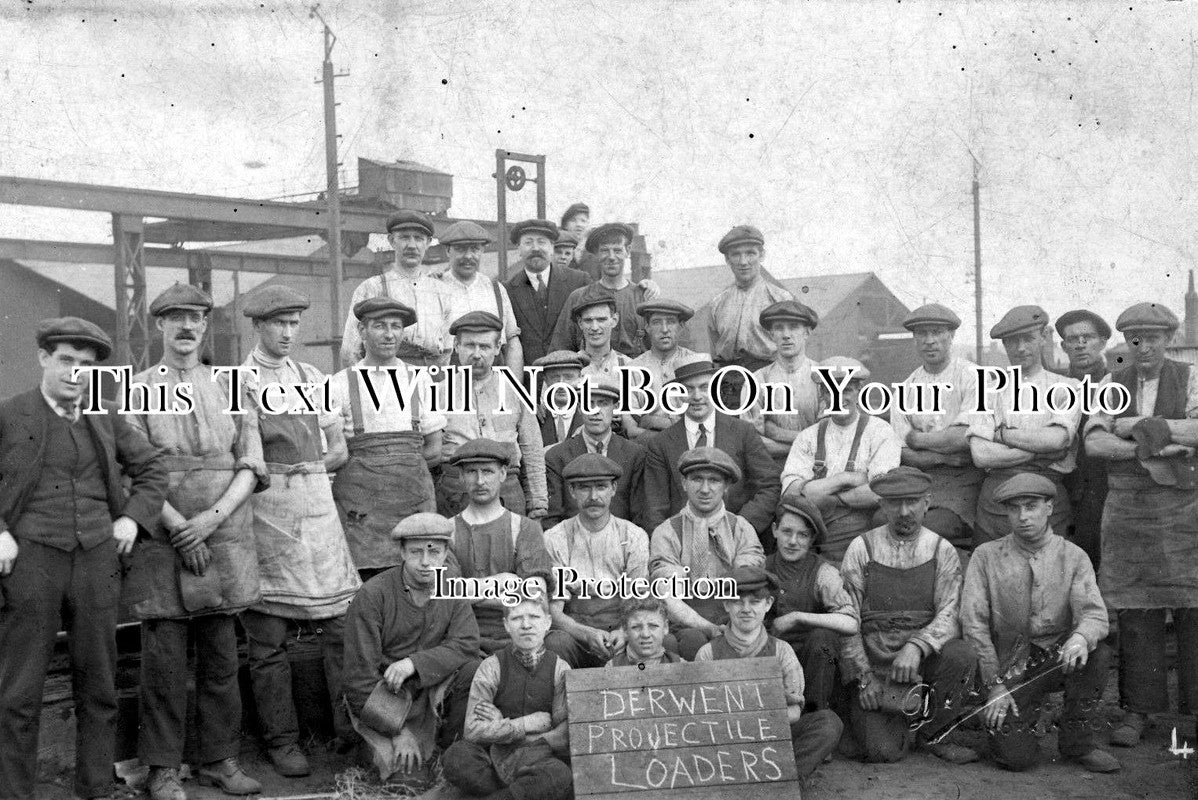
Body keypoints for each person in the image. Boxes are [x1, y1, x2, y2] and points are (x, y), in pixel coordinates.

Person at [0, 317, 167, 800]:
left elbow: (153, 467)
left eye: (87, 366)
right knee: (19, 692)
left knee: (99, 684)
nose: (76, 373)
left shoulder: (105, 415)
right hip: (32, 562)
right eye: (66, 361)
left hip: (97, 561)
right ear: (43, 359)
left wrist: (132, 518)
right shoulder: (12, 415)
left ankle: (95, 789)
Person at [126, 284, 265, 799]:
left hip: (225, 531)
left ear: (206, 326)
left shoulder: (233, 386)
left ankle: (220, 760)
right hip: (163, 537)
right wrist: (179, 527)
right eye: (175, 318)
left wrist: (210, 519)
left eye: (196, 318)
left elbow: (252, 462)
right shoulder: (136, 389)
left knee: (222, 658)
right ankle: (162, 768)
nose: (187, 327)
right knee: (163, 663)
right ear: (159, 325)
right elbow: (133, 471)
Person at [239, 285, 362, 778]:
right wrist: (282, 475)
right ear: (258, 327)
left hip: (317, 513)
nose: (288, 333)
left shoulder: (312, 377)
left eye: (293, 323)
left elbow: (339, 449)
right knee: (268, 638)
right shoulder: (240, 380)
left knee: (338, 628)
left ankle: (349, 732)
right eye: (277, 324)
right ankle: (282, 741)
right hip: (266, 515)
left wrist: (310, 470)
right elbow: (243, 454)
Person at [1084, 302, 1198, 748]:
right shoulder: (1111, 383)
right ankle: (1139, 711)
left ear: (1169, 338)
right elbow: (1094, 442)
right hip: (1128, 507)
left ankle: (1194, 713)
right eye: (1135, 338)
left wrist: (1134, 426)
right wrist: (1147, 449)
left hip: (1185, 506)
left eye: (1153, 337)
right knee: (1135, 610)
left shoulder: (1190, 376)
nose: (1144, 346)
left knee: (1193, 608)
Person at [960, 473, 1119, 774]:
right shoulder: (986, 557)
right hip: (1008, 667)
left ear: (1049, 507)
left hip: (1057, 657)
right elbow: (974, 625)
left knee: (1098, 654)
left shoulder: (1073, 556)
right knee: (1016, 759)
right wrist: (995, 686)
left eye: (1031, 506)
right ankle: (1001, 714)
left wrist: (1080, 638)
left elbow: (1095, 614)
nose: (1022, 517)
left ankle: (1077, 742)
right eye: (1014, 508)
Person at [839, 467, 979, 765]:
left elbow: (950, 613)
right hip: (875, 663)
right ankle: (881, 722)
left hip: (921, 661)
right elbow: (846, 619)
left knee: (962, 654)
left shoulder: (942, 550)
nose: (904, 511)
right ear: (882, 505)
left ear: (927, 502)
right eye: (894, 502)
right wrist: (864, 677)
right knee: (883, 753)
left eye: (912, 501)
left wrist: (917, 646)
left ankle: (936, 733)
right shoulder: (861, 548)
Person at [342, 513, 482, 780]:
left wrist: (414, 663)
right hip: (384, 699)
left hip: (435, 694)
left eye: (434, 552)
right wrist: (398, 732)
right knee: (408, 780)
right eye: (416, 552)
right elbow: (358, 679)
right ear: (402, 552)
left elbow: (467, 644)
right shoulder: (373, 595)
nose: (426, 562)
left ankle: (451, 747)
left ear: (445, 554)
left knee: (475, 670)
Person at [328, 297, 443, 581]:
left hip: (413, 502)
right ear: (362, 330)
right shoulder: (339, 383)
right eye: (379, 326)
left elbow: (435, 449)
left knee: (419, 582)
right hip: (361, 510)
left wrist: (400, 474)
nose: (389, 334)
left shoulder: (420, 379)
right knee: (366, 587)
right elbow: (333, 450)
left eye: (396, 326)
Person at [694, 565, 844, 782]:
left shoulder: (782, 651)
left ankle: (782, 782)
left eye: (755, 602)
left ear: (768, 604)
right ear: (726, 604)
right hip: (725, 741)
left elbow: (794, 711)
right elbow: (699, 715)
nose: (746, 609)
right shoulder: (708, 653)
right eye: (737, 601)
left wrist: (754, 718)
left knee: (828, 723)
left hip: (774, 737)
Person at [441, 589, 573, 800]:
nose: (526, 625)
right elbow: (473, 731)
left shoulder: (560, 669)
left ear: (548, 622)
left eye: (534, 617)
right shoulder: (491, 667)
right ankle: (515, 795)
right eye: (517, 618)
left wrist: (500, 726)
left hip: (538, 761)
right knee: (457, 758)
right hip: (493, 760)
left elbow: (563, 736)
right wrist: (524, 724)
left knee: (560, 775)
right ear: (506, 625)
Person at [967, 305, 1081, 547]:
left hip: (1047, 497)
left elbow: (1057, 440)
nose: (1020, 348)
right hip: (997, 501)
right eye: (1012, 342)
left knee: (1050, 576)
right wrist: (1037, 450)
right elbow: (981, 455)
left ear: (1043, 337)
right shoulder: (988, 389)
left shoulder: (1067, 387)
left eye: (1028, 339)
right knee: (993, 574)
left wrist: (1002, 435)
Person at [643, 357, 781, 540]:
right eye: (688, 389)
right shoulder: (661, 444)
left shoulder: (743, 432)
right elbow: (655, 507)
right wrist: (670, 544)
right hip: (683, 544)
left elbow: (769, 486)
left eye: (704, 387)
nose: (697, 396)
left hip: (737, 540)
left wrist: (738, 528)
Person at [781, 357, 902, 564]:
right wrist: (846, 479)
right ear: (822, 395)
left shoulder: (880, 431)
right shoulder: (808, 437)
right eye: (830, 391)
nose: (839, 397)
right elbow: (791, 493)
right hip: (811, 533)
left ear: (859, 391)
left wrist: (827, 497)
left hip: (860, 535)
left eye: (847, 390)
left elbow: (880, 492)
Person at [650, 447, 765, 660]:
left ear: (726, 487)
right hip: (685, 622)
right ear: (684, 483)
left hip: (733, 615)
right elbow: (668, 597)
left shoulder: (740, 528)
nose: (705, 489)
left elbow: (748, 586)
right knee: (691, 641)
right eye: (696, 479)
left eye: (714, 480)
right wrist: (708, 627)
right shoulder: (667, 532)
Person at [890, 304, 982, 557]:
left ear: (951, 336)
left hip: (963, 483)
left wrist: (917, 438)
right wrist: (944, 455)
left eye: (937, 332)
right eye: (922, 334)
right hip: (919, 483)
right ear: (914, 340)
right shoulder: (907, 387)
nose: (929, 341)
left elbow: (963, 437)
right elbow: (901, 452)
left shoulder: (972, 376)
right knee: (883, 520)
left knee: (929, 528)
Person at [543, 453, 651, 668]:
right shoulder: (555, 538)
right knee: (555, 642)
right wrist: (586, 633)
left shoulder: (633, 535)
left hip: (622, 631)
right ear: (572, 491)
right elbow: (554, 610)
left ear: (613, 489)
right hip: (576, 633)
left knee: (653, 642)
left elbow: (639, 600)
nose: (593, 496)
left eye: (601, 487)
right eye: (584, 488)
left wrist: (624, 632)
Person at [437, 311, 547, 519]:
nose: (477, 354)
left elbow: (532, 450)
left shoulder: (515, 393)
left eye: (485, 346)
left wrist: (538, 503)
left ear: (497, 348)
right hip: (456, 494)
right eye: (469, 345)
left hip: (507, 492)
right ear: (457, 346)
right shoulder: (439, 393)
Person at [446, 438, 552, 654]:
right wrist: (505, 580)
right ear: (460, 477)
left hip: (518, 636)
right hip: (465, 638)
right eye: (471, 472)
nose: (480, 481)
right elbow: (446, 596)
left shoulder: (525, 528)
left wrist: (472, 593)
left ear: (503, 473)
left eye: (488, 471)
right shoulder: (447, 531)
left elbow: (536, 594)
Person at [766, 497, 859, 711]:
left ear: (811, 539)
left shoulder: (822, 572)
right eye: (787, 532)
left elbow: (851, 622)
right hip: (771, 660)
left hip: (811, 665)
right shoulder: (761, 566)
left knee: (824, 639)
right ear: (774, 530)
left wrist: (798, 617)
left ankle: (815, 713)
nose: (793, 541)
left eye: (803, 535)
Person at [341, 210, 453, 368]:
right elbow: (349, 351)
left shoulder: (442, 292)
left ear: (428, 243)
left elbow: (447, 351)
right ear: (392, 240)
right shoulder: (372, 288)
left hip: (431, 377)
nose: (412, 245)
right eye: (404, 237)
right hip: (387, 375)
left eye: (419, 239)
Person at [706, 225, 795, 408]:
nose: (743, 261)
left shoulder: (780, 299)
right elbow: (715, 352)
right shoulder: (717, 304)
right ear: (727, 259)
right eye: (736, 254)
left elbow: (792, 352)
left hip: (768, 381)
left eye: (750, 253)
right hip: (727, 384)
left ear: (761, 255)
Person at [544, 379, 648, 529]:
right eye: (589, 403)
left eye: (603, 403)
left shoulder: (634, 454)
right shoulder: (557, 456)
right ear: (579, 408)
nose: (595, 411)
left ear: (616, 407)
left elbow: (640, 515)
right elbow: (551, 518)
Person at [1054, 309, 1112, 569]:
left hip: (1107, 487)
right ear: (1064, 346)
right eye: (1072, 339)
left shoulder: (1118, 384)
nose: (1079, 344)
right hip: (1064, 489)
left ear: (1102, 342)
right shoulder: (1053, 386)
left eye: (1087, 337)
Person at [551, 222, 657, 357]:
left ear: (628, 251)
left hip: (634, 374)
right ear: (597, 254)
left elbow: (657, 350)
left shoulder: (643, 297)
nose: (611, 257)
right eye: (605, 250)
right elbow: (560, 349)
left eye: (617, 250)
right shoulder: (578, 297)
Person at [438, 220, 525, 373]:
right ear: (447, 251)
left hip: (491, 376)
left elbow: (512, 341)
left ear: (482, 250)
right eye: (460, 249)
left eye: (475, 249)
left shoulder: (496, 289)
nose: (468, 256)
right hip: (447, 377)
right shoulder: (434, 287)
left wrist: (513, 388)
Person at [743, 300, 821, 463]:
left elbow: (827, 439)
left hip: (817, 468)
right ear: (771, 334)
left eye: (793, 326)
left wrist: (775, 432)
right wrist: (806, 443)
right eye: (779, 328)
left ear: (807, 332)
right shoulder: (756, 381)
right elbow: (752, 442)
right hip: (772, 470)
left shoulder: (824, 378)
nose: (786, 335)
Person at [504, 219, 590, 366]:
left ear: (552, 247)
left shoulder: (579, 281)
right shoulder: (507, 290)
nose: (535, 248)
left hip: (571, 377)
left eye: (542, 242)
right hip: (529, 381)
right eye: (528, 242)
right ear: (518, 249)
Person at [627, 299, 701, 441]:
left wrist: (652, 421)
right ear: (647, 327)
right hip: (648, 445)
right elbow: (630, 429)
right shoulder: (633, 369)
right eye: (656, 322)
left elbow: (702, 420)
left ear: (681, 325)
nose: (665, 329)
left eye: (671, 321)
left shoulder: (694, 363)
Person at [606, 597, 686, 666]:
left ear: (665, 627)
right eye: (636, 627)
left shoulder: (680, 664)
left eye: (653, 626)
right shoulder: (613, 666)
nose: (645, 634)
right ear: (625, 630)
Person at [532, 350, 588, 447]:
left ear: (580, 379)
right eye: (555, 378)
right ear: (546, 381)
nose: (561, 384)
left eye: (568, 377)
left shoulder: (590, 416)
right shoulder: (535, 417)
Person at [560, 201, 601, 280]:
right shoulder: (557, 251)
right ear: (565, 225)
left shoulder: (596, 251)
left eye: (583, 221)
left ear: (588, 224)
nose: (579, 224)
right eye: (573, 220)